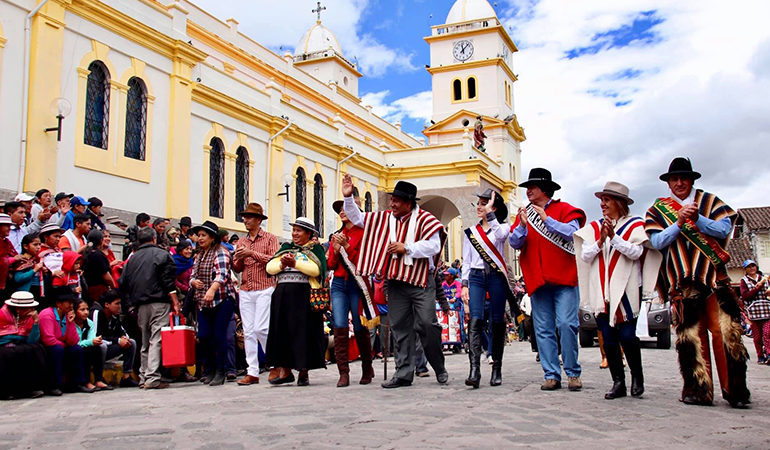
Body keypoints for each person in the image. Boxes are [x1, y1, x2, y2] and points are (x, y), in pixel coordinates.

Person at [645, 157, 750, 408]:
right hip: (683, 281)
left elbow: (724, 230)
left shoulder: (710, 201)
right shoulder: (657, 210)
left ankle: (734, 390)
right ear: (668, 183)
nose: (679, 183)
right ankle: (698, 390)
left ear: (692, 180)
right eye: (674, 179)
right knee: (691, 336)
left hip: (714, 278)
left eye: (684, 178)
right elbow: (658, 242)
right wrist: (680, 222)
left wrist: (698, 219)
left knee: (724, 331)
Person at [341, 174, 448, 388]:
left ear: (409, 203)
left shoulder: (427, 220)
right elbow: (359, 218)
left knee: (427, 324)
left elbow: (434, 246)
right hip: (396, 281)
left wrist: (407, 248)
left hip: (421, 281)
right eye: (392, 200)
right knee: (400, 327)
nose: (392, 204)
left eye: (397, 201)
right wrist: (348, 198)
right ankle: (403, 373)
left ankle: (438, 365)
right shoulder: (384, 219)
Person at [574, 181, 662, 399]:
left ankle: (637, 378)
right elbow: (585, 256)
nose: (602, 204)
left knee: (628, 335)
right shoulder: (595, 228)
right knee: (609, 338)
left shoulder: (635, 225)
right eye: (601, 201)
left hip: (626, 289)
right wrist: (601, 239)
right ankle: (618, 382)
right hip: (602, 291)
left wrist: (614, 238)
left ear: (619, 203)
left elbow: (635, 252)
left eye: (607, 200)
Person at [509, 168, 586, 391]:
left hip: (564, 278)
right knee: (542, 329)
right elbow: (515, 242)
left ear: (545, 189)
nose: (528, 191)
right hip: (537, 280)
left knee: (566, 324)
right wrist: (523, 226)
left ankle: (572, 372)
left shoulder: (566, 209)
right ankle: (551, 374)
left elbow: (572, 232)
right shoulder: (524, 215)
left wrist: (547, 220)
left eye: (532, 187)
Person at [265, 217, 328, 386]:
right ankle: (285, 371)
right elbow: (269, 267)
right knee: (282, 331)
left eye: (299, 230)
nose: (294, 233)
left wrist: (295, 263)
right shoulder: (286, 248)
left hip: (303, 295)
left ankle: (303, 371)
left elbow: (317, 270)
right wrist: (282, 265)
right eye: (293, 230)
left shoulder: (316, 249)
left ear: (309, 233)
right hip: (283, 294)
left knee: (302, 332)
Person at [461, 189, 511, 388]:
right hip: (476, 277)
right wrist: (464, 284)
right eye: (479, 204)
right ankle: (474, 370)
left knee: (497, 321)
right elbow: (467, 260)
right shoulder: (472, 232)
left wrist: (491, 215)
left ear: (494, 207)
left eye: (484, 203)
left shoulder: (503, 227)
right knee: (475, 320)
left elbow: (500, 237)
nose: (480, 207)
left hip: (496, 277)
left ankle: (496, 367)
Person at [119, 227, 180, 389]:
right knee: (156, 339)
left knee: (145, 340)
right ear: (154, 239)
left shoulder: (132, 259)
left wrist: (130, 305)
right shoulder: (162, 255)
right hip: (159, 302)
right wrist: (175, 300)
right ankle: (152, 377)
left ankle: (144, 375)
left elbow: (123, 283)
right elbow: (168, 280)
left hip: (139, 304)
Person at [327, 199, 375, 387]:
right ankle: (343, 372)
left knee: (359, 323)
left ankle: (366, 367)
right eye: (339, 210)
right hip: (338, 283)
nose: (342, 212)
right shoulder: (336, 235)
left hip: (356, 283)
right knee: (339, 324)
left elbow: (362, 261)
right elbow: (330, 264)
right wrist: (337, 250)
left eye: (345, 208)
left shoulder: (364, 234)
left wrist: (347, 247)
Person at [231, 203, 279, 386]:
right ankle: (252, 371)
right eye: (244, 217)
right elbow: (237, 268)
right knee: (248, 331)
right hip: (246, 288)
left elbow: (274, 260)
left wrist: (252, 253)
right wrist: (238, 258)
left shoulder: (269, 239)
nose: (245, 220)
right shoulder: (241, 241)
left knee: (261, 328)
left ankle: (273, 362)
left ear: (258, 220)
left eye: (249, 217)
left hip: (265, 286)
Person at [189, 221, 236, 386]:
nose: (200, 239)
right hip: (203, 301)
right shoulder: (200, 255)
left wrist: (212, 289)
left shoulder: (221, 252)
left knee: (219, 335)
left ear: (212, 238)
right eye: (199, 235)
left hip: (222, 299)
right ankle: (209, 369)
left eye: (204, 235)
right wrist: (193, 282)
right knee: (203, 335)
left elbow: (222, 274)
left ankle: (220, 370)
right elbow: (192, 275)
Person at [39, 289, 93, 394]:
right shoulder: (47, 315)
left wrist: (71, 323)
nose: (71, 305)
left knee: (76, 349)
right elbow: (49, 339)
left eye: (72, 303)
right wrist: (64, 346)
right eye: (68, 302)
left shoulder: (66, 316)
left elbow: (74, 341)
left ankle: (77, 383)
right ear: (58, 303)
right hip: (47, 348)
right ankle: (54, 385)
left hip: (60, 346)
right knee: (58, 350)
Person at [0, 292, 46, 399]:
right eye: (25, 308)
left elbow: (32, 340)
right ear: (17, 308)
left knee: (36, 349)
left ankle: (30, 389)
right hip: (4, 347)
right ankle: (6, 391)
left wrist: (35, 322)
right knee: (9, 354)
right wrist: (17, 339)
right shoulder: (2, 315)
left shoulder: (29, 318)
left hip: (20, 346)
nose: (28, 311)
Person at [91, 290, 138, 387]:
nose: (119, 306)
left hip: (109, 346)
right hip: (93, 347)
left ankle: (126, 377)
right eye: (116, 304)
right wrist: (118, 340)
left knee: (131, 342)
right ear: (107, 305)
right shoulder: (97, 313)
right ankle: (98, 378)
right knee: (102, 346)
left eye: (120, 303)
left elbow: (123, 333)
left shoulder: (115, 316)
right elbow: (95, 337)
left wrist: (124, 339)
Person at [740, 260, 770, 364]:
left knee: (767, 333)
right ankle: (760, 355)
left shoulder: (765, 279)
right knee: (757, 338)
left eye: (753, 266)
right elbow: (745, 296)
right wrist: (756, 288)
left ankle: (769, 353)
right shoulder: (744, 281)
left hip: (767, 311)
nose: (752, 268)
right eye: (749, 267)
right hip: (754, 314)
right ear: (746, 270)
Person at [73, 298, 105, 392]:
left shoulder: (89, 322)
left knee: (97, 348)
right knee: (85, 351)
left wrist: (94, 341)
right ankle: (86, 382)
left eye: (87, 309)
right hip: (74, 348)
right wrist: (90, 342)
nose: (86, 312)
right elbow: (76, 342)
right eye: (82, 310)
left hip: (85, 347)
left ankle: (98, 379)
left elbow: (92, 338)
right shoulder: (71, 323)